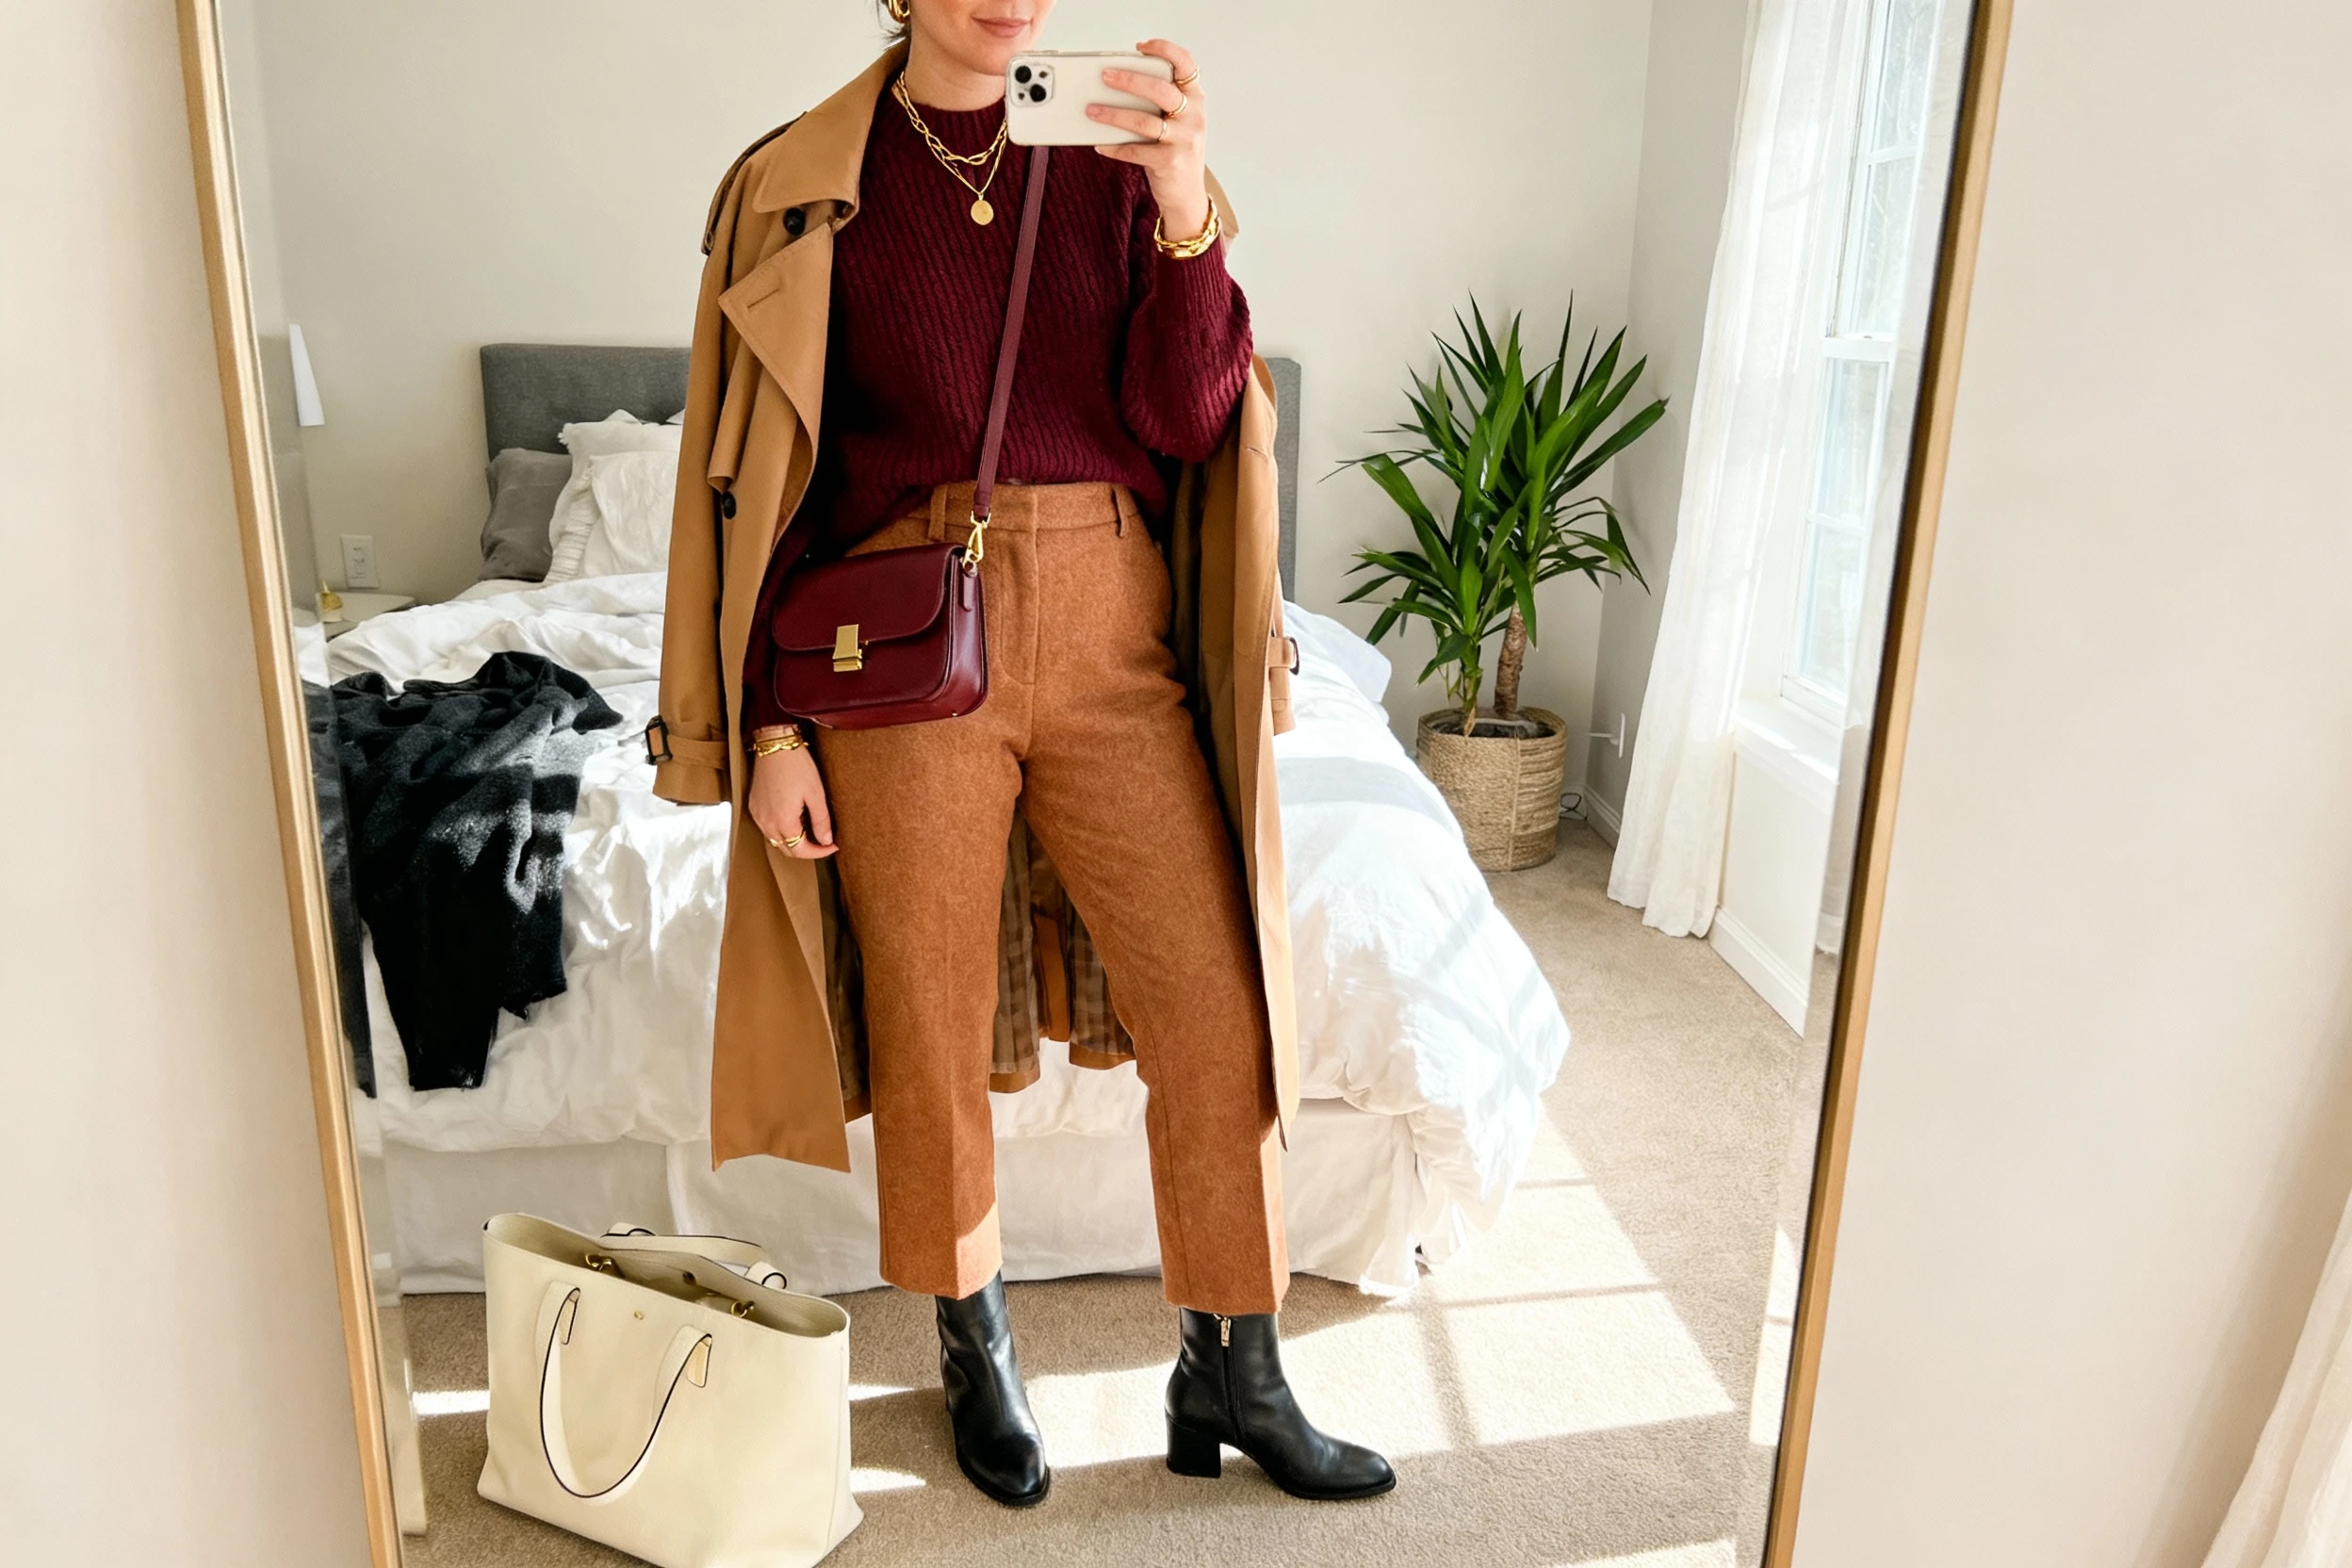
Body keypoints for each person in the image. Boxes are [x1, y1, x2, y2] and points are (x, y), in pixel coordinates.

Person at [653, 0, 1392, 1509]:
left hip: (1119, 630)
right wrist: (773, 722)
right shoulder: (805, 185)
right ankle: (972, 1338)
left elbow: (1189, 417)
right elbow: (769, 482)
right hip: (905, 644)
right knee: (928, 1023)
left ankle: (1233, 1366)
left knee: (1217, 1007)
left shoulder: (1122, 162)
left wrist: (1183, 211)